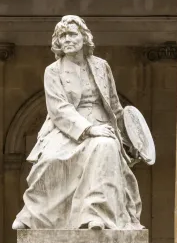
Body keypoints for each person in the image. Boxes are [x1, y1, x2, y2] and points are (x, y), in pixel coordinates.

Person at [12, 15, 144, 230]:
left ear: (84, 37)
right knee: (50, 160)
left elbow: (113, 105)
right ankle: (33, 215)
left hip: (102, 123)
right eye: (62, 36)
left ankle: (96, 213)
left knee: (106, 146)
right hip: (67, 128)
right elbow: (59, 108)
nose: (67, 40)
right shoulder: (53, 71)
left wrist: (128, 138)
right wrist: (89, 129)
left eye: (72, 34)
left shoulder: (102, 66)